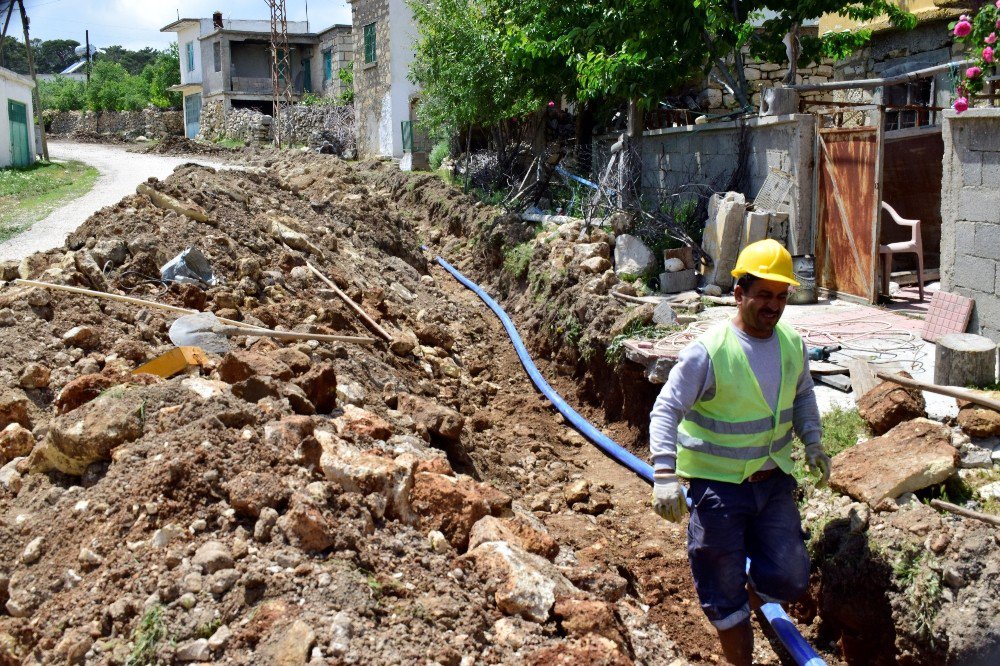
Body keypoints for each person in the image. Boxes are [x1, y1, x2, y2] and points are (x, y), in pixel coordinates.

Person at [648, 239, 831, 666]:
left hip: (773, 484)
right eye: (763, 295)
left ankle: (755, 588)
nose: (774, 306)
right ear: (738, 294)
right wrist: (663, 474)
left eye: (782, 296)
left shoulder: (791, 343)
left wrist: (814, 440)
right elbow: (666, 409)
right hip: (718, 491)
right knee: (723, 594)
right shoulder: (709, 351)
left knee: (790, 576)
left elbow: (803, 395)